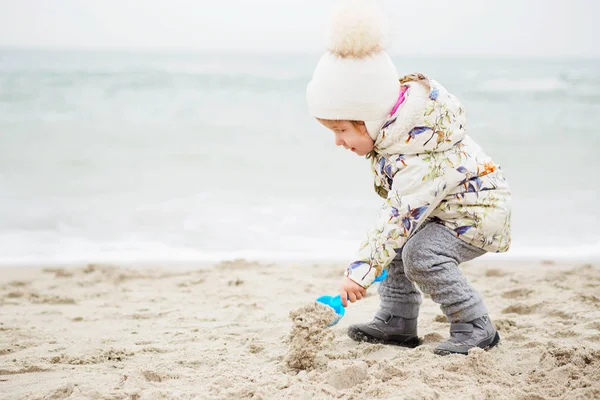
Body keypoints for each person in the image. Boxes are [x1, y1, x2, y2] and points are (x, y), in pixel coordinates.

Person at [305, 0, 511, 355]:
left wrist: (359, 274)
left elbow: (398, 217)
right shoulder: (394, 136)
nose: (338, 141)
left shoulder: (419, 152)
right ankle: (397, 320)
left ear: (369, 119)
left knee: (419, 253)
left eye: (341, 130)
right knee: (398, 244)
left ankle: (476, 325)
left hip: (477, 215)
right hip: (443, 212)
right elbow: (399, 220)